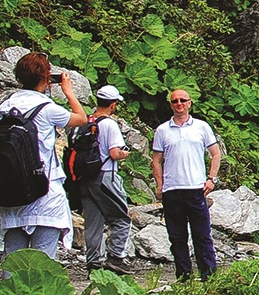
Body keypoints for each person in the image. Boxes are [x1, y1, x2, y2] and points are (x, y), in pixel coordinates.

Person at [0, 53, 92, 265]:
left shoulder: (6, 106)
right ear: (46, 78)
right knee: (43, 259)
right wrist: (69, 92)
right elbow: (81, 118)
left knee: (13, 260)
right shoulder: (47, 109)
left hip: (11, 190)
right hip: (44, 191)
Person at [151, 88, 224, 282]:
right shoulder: (162, 130)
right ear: (171, 105)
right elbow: (156, 160)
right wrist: (160, 185)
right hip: (172, 190)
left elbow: (216, 153)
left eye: (183, 100)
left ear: (190, 103)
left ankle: (209, 276)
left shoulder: (201, 127)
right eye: (175, 101)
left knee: (202, 235)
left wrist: (211, 179)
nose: (179, 104)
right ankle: (184, 278)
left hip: (195, 188)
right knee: (177, 237)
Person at [75, 84, 135, 272]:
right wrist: (126, 153)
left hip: (85, 179)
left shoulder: (86, 121)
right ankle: (116, 256)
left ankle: (93, 262)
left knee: (93, 221)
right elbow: (114, 153)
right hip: (105, 176)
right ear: (113, 104)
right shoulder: (109, 124)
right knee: (121, 218)